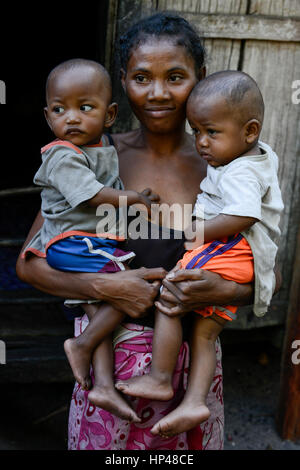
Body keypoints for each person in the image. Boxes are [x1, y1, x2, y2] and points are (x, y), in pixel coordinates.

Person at [16, 12, 279, 450]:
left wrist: (218, 289)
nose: (158, 93)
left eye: (176, 76)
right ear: (123, 83)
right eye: (141, 78)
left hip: (190, 372)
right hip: (108, 365)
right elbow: (29, 264)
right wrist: (107, 285)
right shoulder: (93, 159)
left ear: (201, 78)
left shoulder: (226, 167)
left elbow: (266, 272)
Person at [115, 70, 284, 437]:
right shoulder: (250, 157)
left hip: (228, 250)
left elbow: (244, 217)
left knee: (171, 292)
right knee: (205, 334)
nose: (202, 143)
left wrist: (195, 232)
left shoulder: (236, 172)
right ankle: (194, 401)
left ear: (250, 131)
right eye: (197, 131)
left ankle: (160, 377)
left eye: (211, 132)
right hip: (241, 260)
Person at [21, 58, 162, 423]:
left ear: (110, 114)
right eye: (59, 109)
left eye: (85, 108)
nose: (71, 118)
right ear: (47, 115)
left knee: (100, 309)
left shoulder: (97, 151)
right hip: (72, 244)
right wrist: (133, 198)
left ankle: (102, 385)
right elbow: (92, 196)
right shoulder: (61, 154)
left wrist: (131, 196)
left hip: (87, 243)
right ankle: (80, 345)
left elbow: (107, 190)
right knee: (132, 277)